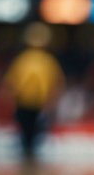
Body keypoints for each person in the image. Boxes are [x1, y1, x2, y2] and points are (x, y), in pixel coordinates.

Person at [4, 23, 63, 164]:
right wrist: (51, 104)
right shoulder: (48, 61)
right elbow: (56, 85)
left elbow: (10, 84)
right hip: (39, 105)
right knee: (34, 134)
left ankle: (27, 157)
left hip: (23, 104)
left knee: (25, 133)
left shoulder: (22, 59)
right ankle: (30, 158)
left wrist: (11, 101)